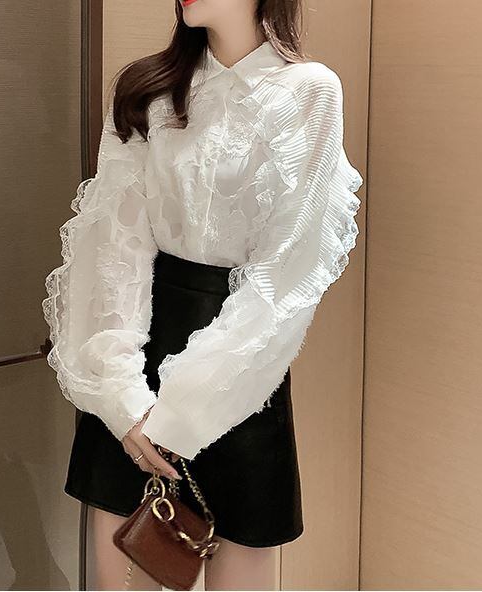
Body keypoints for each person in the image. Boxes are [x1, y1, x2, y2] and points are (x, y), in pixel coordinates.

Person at [42, 0, 364, 589]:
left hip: (243, 371)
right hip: (132, 366)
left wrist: (185, 413)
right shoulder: (147, 91)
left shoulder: (307, 92)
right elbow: (113, 246)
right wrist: (123, 398)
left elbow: (287, 271)